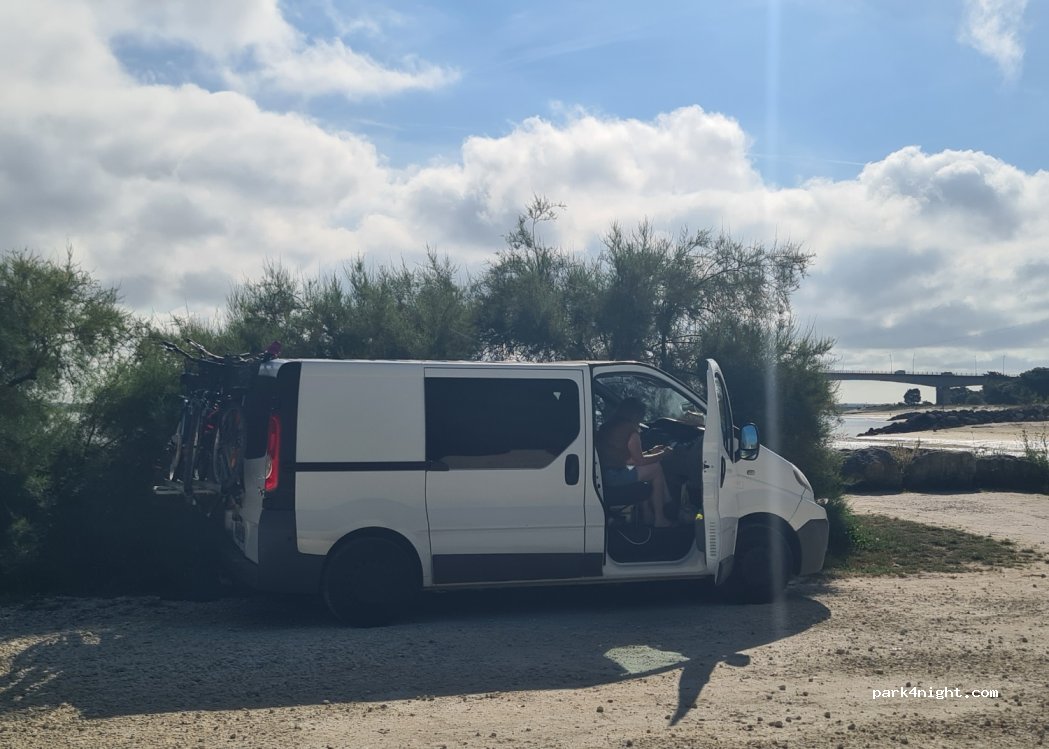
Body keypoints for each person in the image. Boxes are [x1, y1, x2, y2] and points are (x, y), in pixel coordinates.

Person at [596, 397, 674, 527]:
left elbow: (630, 459)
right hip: (614, 476)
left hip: (603, 474)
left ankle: (648, 514)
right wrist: (663, 454)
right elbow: (639, 461)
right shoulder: (631, 431)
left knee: (649, 470)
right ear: (636, 414)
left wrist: (652, 452)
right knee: (656, 469)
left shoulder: (607, 426)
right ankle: (660, 518)